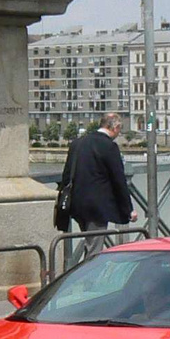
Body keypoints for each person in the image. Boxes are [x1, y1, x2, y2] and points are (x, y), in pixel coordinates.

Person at [57, 112, 137, 262]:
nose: (118, 133)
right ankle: (88, 282)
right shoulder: (109, 146)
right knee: (94, 251)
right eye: (119, 130)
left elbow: (66, 175)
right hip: (97, 207)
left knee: (89, 244)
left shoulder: (77, 143)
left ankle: (83, 277)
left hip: (76, 204)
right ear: (115, 127)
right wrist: (129, 209)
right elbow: (118, 179)